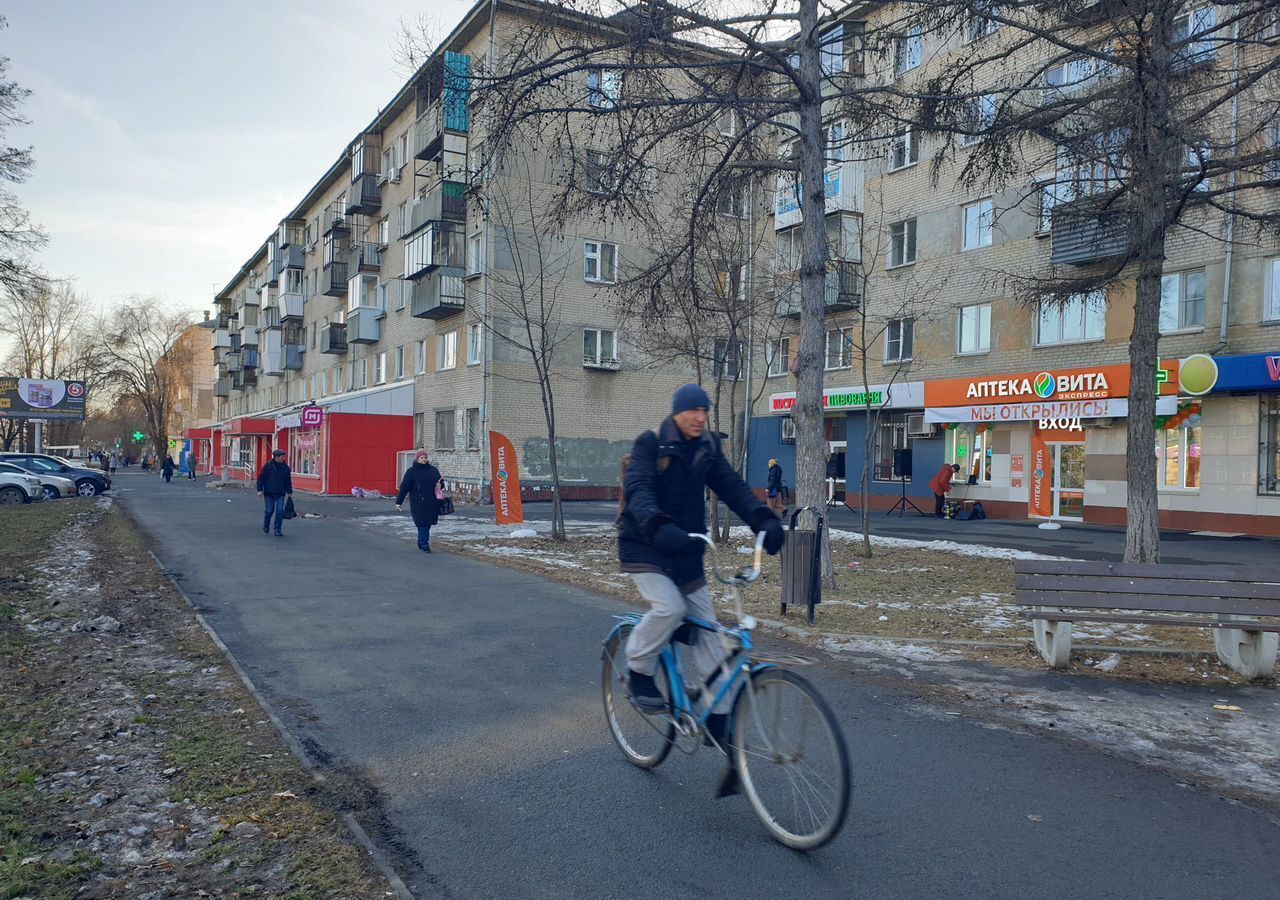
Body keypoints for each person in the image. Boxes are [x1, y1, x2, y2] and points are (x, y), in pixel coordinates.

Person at [617, 383, 785, 795]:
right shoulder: (650, 444)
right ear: (677, 413)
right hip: (646, 545)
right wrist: (659, 527)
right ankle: (639, 671)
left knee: (712, 633)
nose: (699, 418)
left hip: (687, 551)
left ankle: (718, 718)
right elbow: (639, 491)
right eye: (692, 411)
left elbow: (731, 487)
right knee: (670, 609)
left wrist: (763, 519)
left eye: (704, 412)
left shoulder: (707, 447)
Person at [395, 450, 443, 552]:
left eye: (425, 457)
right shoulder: (411, 471)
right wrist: (399, 502)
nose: (424, 459)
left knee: (428, 523)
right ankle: (424, 544)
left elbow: (440, 482)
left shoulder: (433, 470)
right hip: (418, 502)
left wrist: (440, 485)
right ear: (417, 459)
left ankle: (421, 541)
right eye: (421, 458)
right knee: (421, 523)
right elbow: (404, 487)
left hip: (431, 501)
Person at [256, 449, 293, 537]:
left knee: (280, 511)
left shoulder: (285, 467)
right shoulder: (268, 466)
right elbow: (261, 478)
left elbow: (288, 480)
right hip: (269, 492)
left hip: (280, 493)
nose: (283, 458)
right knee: (269, 510)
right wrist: (260, 490)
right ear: (277, 457)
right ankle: (266, 524)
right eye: (282, 457)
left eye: (284, 456)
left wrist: (289, 491)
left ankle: (277, 529)